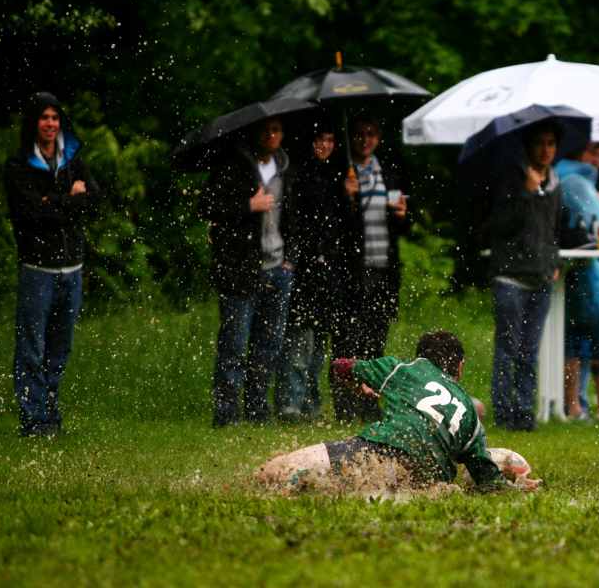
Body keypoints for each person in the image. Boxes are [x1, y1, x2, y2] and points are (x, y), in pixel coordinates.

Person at [257, 331, 540, 493]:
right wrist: (518, 490)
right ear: (460, 367)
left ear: (421, 357)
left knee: (272, 473)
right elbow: (489, 482)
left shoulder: (402, 369)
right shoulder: (470, 415)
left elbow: (341, 366)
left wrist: (360, 385)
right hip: (429, 477)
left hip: (378, 452)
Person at [4, 92, 104, 437]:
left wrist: (59, 202)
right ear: (34, 122)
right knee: (32, 346)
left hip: (71, 269)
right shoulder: (19, 166)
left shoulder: (73, 159)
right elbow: (32, 214)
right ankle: (33, 419)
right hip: (37, 270)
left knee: (59, 349)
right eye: (44, 118)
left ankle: (50, 415)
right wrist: (70, 199)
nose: (50, 124)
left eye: (54, 118)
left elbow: (95, 200)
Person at [200, 116, 295, 427]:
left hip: (278, 267)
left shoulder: (284, 167)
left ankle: (257, 410)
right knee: (235, 345)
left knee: (268, 346)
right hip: (240, 268)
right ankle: (226, 414)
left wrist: (291, 255)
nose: (271, 134)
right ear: (255, 133)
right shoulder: (233, 165)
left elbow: (294, 214)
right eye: (266, 129)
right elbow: (207, 205)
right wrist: (247, 205)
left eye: (276, 129)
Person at [331, 115, 412, 421]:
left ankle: (369, 404)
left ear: (378, 137)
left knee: (374, 341)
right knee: (347, 340)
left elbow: (403, 226)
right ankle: (345, 406)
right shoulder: (343, 171)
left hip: (383, 268)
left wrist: (403, 215)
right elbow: (336, 223)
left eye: (371, 133)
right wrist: (347, 196)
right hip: (352, 269)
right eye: (360, 134)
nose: (365, 140)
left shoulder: (388, 172)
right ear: (351, 138)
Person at [488, 122, 564, 431]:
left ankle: (524, 412)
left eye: (551, 143)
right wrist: (525, 195)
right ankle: (505, 412)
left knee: (529, 351)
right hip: (510, 276)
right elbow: (498, 226)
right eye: (540, 143)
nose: (545, 150)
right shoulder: (510, 180)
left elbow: (554, 230)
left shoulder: (556, 184)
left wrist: (554, 259)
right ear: (528, 147)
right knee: (508, 348)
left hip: (541, 277)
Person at [277, 124, 351, 421]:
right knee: (299, 343)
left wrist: (348, 195)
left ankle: (309, 402)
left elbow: (338, 228)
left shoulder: (335, 176)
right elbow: (297, 223)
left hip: (326, 272)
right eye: (320, 139)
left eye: (331, 140)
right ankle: (290, 403)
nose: (326, 145)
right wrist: (294, 257)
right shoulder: (297, 175)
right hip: (303, 270)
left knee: (318, 347)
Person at [553, 151, 599, 425]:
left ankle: (588, 407)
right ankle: (579, 407)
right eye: (593, 151)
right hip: (583, 270)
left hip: (594, 266)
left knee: (595, 339)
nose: (597, 158)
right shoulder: (573, 179)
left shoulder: (590, 180)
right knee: (584, 338)